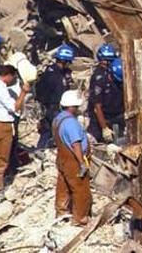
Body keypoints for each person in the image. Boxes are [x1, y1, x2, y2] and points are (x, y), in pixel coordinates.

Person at [0, 65, 28, 194]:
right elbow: (15, 107)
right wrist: (23, 92)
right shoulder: (1, 89)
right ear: (8, 75)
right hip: (3, 126)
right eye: (12, 77)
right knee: (2, 158)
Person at [53, 89, 92, 224]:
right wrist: (82, 163)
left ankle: (61, 211)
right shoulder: (71, 122)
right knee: (80, 188)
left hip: (62, 157)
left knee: (63, 185)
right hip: (73, 159)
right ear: (72, 106)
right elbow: (76, 144)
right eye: (76, 107)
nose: (77, 109)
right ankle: (80, 218)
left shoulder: (58, 119)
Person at [35, 44, 76, 149]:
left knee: (48, 132)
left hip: (56, 108)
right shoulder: (53, 75)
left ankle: (41, 150)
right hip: (54, 108)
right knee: (57, 134)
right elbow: (50, 94)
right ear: (64, 61)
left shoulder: (61, 73)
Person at [87, 47, 124, 143]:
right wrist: (104, 128)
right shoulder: (99, 79)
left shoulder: (120, 77)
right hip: (102, 117)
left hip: (117, 115)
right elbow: (97, 107)